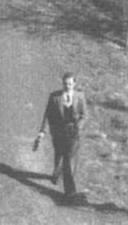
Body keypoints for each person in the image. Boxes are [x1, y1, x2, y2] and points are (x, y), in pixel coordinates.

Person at [35, 72, 87, 200]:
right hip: (58, 132)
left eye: (70, 84)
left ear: (74, 84)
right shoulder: (54, 97)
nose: (67, 86)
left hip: (73, 133)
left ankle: (70, 191)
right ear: (62, 83)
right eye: (65, 83)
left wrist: (78, 127)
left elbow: (84, 116)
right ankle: (56, 172)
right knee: (59, 154)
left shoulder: (80, 96)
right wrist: (42, 132)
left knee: (68, 161)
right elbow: (48, 115)